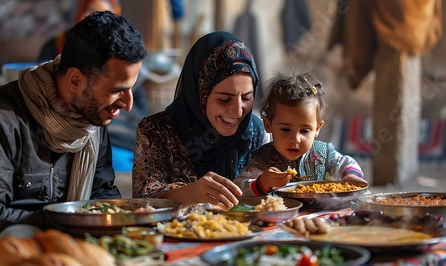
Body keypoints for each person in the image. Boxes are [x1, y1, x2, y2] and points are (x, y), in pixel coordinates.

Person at [0, 11, 147, 247]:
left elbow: (100, 194)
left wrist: (123, 221)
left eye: (131, 88)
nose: (128, 103)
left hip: (62, 254)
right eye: (116, 89)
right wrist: (71, 221)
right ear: (75, 80)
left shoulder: (91, 118)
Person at [132, 31, 269, 213]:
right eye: (224, 99)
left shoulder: (255, 132)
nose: (237, 111)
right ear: (200, 95)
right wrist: (191, 192)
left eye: (246, 97)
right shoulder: (156, 131)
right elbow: (142, 203)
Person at [328, 0, 442, 185]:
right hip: (389, 10)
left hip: (404, 12)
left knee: (398, 93)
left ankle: (395, 179)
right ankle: (393, 177)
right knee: (391, 97)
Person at [234, 72, 367, 196]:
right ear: (268, 125)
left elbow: (347, 162)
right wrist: (262, 183)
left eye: (304, 131)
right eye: (285, 129)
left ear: (317, 128)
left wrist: (351, 176)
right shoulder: (262, 160)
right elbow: (239, 188)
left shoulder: (322, 153)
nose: (295, 139)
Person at [38, 0, 120, 62]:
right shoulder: (55, 44)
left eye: (106, 14)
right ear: (80, 12)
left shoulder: (118, 51)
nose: (98, 19)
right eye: (91, 10)